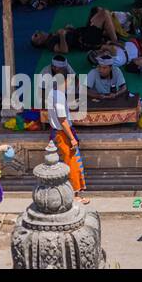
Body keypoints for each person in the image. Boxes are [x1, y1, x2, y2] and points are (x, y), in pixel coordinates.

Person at [47, 70, 89, 203]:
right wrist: (71, 138)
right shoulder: (58, 96)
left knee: (65, 163)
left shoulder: (52, 93)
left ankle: (68, 192)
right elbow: (62, 120)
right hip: (62, 134)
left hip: (57, 132)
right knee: (72, 163)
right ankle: (75, 196)